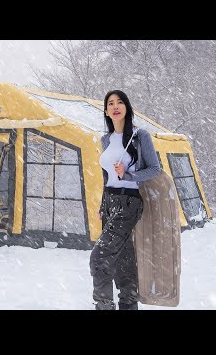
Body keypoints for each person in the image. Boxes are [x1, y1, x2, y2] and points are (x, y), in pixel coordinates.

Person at [89, 90, 161, 310]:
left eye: (120, 102)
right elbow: (106, 175)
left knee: (99, 258)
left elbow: (155, 169)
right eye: (110, 103)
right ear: (106, 111)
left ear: (127, 107)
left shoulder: (140, 136)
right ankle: (129, 304)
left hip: (129, 202)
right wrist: (103, 205)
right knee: (122, 260)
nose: (115, 106)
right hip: (110, 202)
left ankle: (104, 306)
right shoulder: (106, 140)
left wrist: (129, 175)